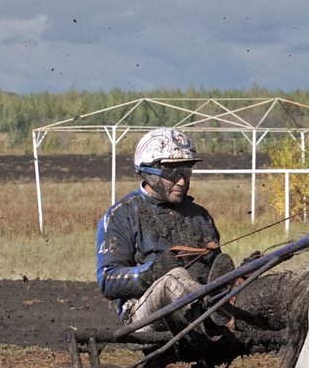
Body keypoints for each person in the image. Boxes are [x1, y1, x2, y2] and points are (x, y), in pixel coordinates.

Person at [96, 127, 234, 334]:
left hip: (201, 305)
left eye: (186, 172)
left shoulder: (200, 216)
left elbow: (215, 270)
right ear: (149, 172)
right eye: (172, 173)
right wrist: (153, 272)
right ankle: (213, 317)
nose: (182, 181)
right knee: (173, 279)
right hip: (140, 313)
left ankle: (217, 315)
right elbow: (108, 280)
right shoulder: (121, 215)